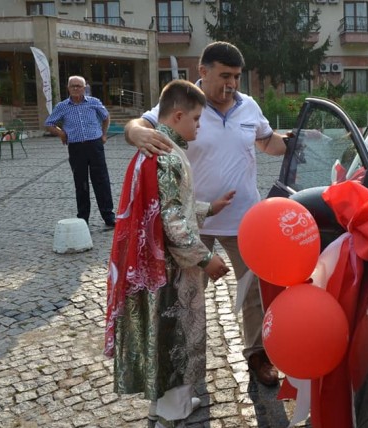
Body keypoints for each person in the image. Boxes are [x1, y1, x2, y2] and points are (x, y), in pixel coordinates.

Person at [124, 41, 287, 387]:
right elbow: (142, 123)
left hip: (246, 221)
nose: (231, 84)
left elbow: (267, 141)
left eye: (237, 77)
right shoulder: (186, 104)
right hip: (193, 224)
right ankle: (186, 366)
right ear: (202, 72)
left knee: (255, 289)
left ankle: (258, 355)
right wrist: (136, 130)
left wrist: (298, 142)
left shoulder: (249, 106)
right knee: (187, 296)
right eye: (224, 75)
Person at [105, 79, 234, 427]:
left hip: (154, 265)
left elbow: (170, 205)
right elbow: (174, 223)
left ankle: (160, 403)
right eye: (195, 119)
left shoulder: (155, 152)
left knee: (162, 334)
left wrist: (210, 208)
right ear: (177, 115)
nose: (198, 126)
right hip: (172, 271)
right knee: (176, 334)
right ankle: (174, 407)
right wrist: (207, 259)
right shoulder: (169, 158)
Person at [45, 75, 116, 226]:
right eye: (73, 86)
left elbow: (106, 117)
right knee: (81, 182)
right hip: (77, 148)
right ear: (68, 88)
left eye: (79, 86)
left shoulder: (94, 102)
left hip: (95, 145)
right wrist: (61, 133)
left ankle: (108, 216)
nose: (76, 88)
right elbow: (49, 123)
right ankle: (83, 217)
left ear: (85, 88)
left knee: (101, 181)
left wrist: (104, 134)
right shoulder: (62, 106)